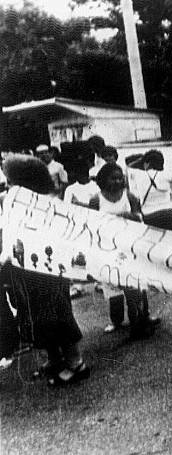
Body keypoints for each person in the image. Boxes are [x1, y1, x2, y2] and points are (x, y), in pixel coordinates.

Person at [0, 154, 90, 386]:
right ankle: (54, 358)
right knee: (39, 318)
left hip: (48, 272)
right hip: (26, 273)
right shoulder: (14, 203)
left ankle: (76, 362)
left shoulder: (48, 205)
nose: (7, 186)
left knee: (57, 315)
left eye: (10, 181)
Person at [89, 163, 160, 340]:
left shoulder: (129, 196)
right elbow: (90, 224)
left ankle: (142, 317)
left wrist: (123, 217)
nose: (118, 181)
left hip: (129, 245)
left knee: (135, 285)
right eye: (113, 178)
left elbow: (140, 217)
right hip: (107, 247)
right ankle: (117, 320)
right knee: (113, 286)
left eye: (120, 177)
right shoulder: (96, 200)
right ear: (103, 179)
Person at [129, 149, 172, 231]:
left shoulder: (138, 175)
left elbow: (128, 167)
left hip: (149, 216)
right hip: (167, 214)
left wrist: (142, 160)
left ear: (147, 163)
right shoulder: (166, 174)